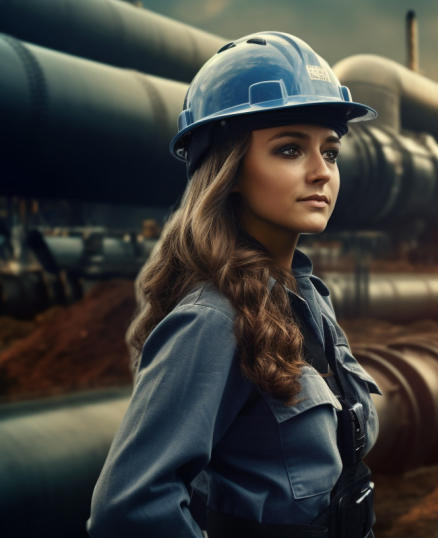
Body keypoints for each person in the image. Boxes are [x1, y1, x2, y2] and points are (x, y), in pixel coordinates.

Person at [87, 31, 381, 538]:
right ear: (229, 172)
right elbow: (129, 510)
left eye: (330, 153)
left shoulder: (305, 298)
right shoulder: (212, 319)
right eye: (290, 149)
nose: (321, 173)